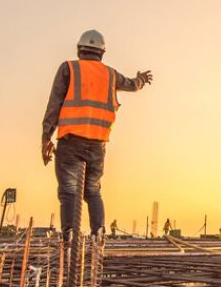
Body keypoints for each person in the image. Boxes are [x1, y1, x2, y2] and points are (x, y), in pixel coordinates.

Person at [41, 29, 152, 242]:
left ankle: (70, 236)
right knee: (92, 190)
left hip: (71, 140)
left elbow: (54, 104)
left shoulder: (69, 69)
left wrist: (46, 136)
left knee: (69, 191)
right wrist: (141, 79)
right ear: (102, 53)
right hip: (98, 144)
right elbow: (131, 84)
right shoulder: (110, 75)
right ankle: (98, 233)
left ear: (79, 49)